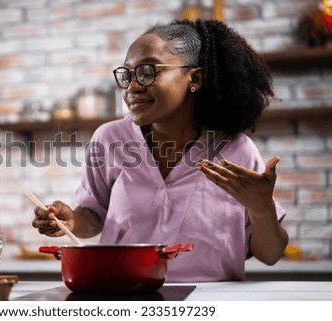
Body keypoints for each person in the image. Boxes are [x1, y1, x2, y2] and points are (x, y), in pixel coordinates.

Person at [32, 19, 289, 282]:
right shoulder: (110, 139)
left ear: (194, 78)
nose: (132, 87)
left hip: (211, 301)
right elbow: (94, 215)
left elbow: (270, 255)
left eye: (147, 72)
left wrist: (261, 209)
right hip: (123, 295)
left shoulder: (237, 151)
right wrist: (71, 221)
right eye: (127, 75)